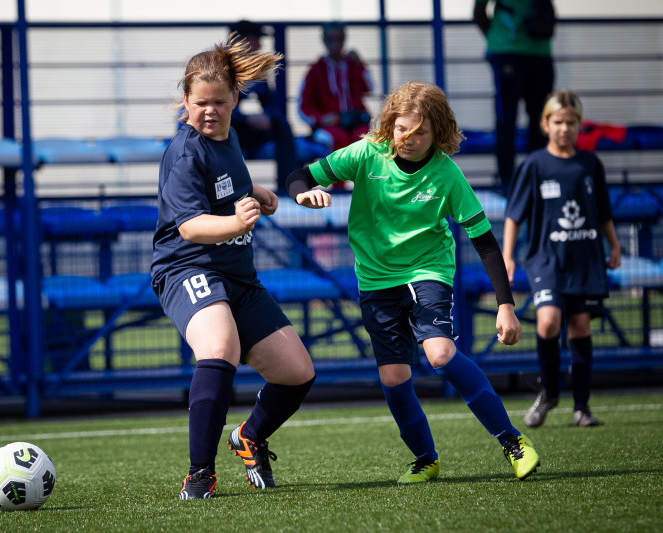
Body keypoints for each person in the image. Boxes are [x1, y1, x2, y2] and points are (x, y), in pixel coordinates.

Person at [286, 81, 540, 483]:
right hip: (374, 279)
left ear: (438, 133)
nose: (409, 138)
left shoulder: (446, 174)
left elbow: (487, 244)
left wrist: (505, 304)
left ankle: (512, 441)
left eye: (420, 132)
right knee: (394, 378)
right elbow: (300, 175)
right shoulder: (366, 153)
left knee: (440, 354)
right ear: (389, 124)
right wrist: (303, 195)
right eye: (402, 128)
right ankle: (426, 458)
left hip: (427, 270)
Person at [151, 35, 316, 500]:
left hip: (238, 276)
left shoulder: (230, 135)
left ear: (235, 100)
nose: (209, 112)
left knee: (297, 372)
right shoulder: (185, 152)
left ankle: (250, 436)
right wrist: (236, 219)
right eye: (199, 103)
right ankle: (199, 475)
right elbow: (190, 227)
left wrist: (256, 192)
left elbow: (226, 183)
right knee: (220, 346)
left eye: (219, 102)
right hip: (188, 269)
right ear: (185, 101)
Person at [502, 89, 621, 428]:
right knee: (548, 321)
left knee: (580, 326)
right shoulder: (534, 166)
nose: (564, 128)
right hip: (546, 260)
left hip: (584, 258)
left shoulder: (589, 164)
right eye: (558, 122)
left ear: (580, 125)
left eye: (571, 122)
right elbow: (513, 216)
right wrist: (507, 258)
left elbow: (603, 212)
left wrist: (613, 245)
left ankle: (581, 407)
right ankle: (550, 392)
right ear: (545, 124)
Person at [474, 0, 555, 191]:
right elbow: (479, 10)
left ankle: (538, 176)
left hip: (539, 51)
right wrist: (496, 38)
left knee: (541, 119)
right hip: (507, 51)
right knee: (506, 120)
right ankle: (507, 182)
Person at [229, 20, 298, 194]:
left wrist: (266, 117)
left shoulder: (255, 68)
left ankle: (289, 189)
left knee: (282, 125)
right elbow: (215, 109)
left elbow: (269, 102)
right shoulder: (221, 66)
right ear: (241, 41)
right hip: (224, 128)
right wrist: (247, 118)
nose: (259, 45)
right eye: (256, 39)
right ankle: (229, 196)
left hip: (246, 129)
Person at [298, 22, 373, 154]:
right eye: (331, 39)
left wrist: (360, 64)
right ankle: (338, 175)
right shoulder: (315, 70)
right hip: (329, 126)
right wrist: (321, 118)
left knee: (365, 139)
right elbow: (303, 107)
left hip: (356, 121)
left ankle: (365, 175)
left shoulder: (352, 64)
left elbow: (370, 88)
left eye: (339, 39)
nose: (336, 43)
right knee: (338, 140)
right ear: (324, 41)